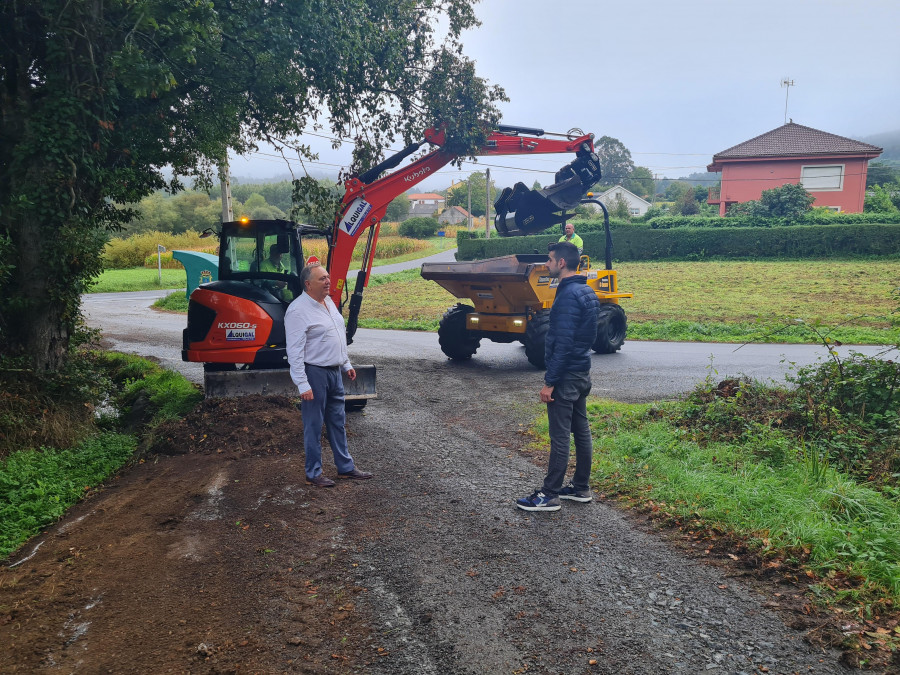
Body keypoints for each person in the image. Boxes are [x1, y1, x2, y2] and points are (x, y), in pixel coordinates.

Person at [516, 241, 599, 511]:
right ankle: (581, 487)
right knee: (582, 430)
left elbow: (562, 343)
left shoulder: (566, 297)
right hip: (581, 371)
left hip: (565, 375)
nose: (547, 265)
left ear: (561, 263)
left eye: (550, 260)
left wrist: (550, 382)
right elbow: (586, 338)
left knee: (560, 436)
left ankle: (549, 494)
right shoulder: (587, 291)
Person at [285, 263, 372, 487]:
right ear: (308, 284)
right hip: (314, 373)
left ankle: (345, 468)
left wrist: (345, 363)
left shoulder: (329, 302)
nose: (328, 281)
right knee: (313, 424)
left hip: (334, 372)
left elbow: (336, 335)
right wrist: (302, 384)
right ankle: (313, 473)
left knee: (337, 421)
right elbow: (294, 351)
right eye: (322, 278)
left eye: (327, 277)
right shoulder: (297, 310)